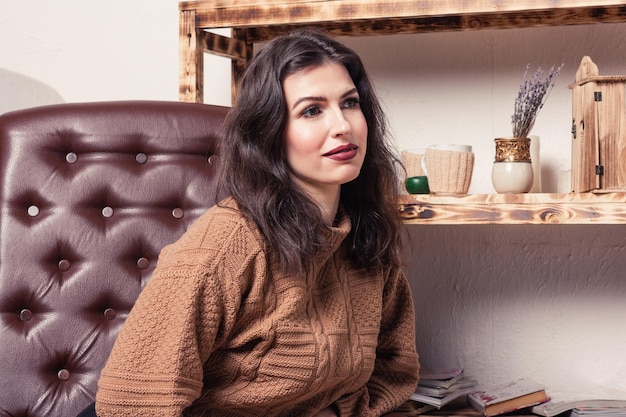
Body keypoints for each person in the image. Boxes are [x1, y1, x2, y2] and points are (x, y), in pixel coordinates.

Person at [92, 28, 419, 417]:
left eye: (350, 103)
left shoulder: (366, 238)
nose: (343, 126)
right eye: (312, 110)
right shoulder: (225, 246)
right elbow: (128, 405)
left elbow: (394, 371)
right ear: (270, 133)